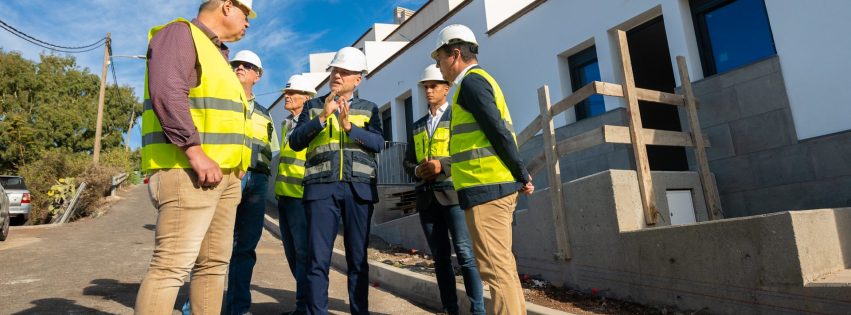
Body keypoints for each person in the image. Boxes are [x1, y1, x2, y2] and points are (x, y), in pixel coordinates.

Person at [135, 0, 255, 314]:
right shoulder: (179, 34)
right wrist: (194, 151)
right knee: (171, 267)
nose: (249, 22)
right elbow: (167, 89)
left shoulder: (217, 54)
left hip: (224, 177)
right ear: (228, 6)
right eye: (247, 14)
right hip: (187, 169)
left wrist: (237, 167)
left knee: (214, 265)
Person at [430, 24, 535, 315]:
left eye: (439, 59)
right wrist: (519, 173)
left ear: (454, 54)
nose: (438, 68)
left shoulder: (471, 83)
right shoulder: (477, 82)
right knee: (503, 269)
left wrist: (521, 171)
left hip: (486, 189)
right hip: (488, 187)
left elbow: (497, 130)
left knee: (496, 272)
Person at [288, 47, 384, 315]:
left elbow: (378, 143)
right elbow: (295, 142)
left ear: (358, 79)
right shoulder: (312, 106)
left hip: (359, 191)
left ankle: (359, 311)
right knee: (318, 259)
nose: (337, 75)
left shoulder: (370, 109)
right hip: (321, 190)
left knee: (358, 259)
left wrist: (350, 128)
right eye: (335, 70)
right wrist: (323, 117)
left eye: (344, 72)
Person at [403, 64, 486, 315]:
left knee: (465, 254)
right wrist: (417, 171)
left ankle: (478, 310)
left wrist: (443, 165)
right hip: (427, 199)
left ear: (446, 89)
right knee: (440, 258)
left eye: (434, 86)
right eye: (425, 87)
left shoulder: (458, 117)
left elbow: (466, 152)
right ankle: (450, 309)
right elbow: (407, 160)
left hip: (452, 194)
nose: (428, 91)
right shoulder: (417, 126)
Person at [274, 74, 316, 315]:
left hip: (301, 197)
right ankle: (304, 305)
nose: (287, 96)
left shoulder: (312, 124)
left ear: (307, 98)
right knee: (292, 254)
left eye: (293, 93)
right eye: (286, 93)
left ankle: (304, 307)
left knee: (302, 254)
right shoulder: (285, 124)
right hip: (284, 197)